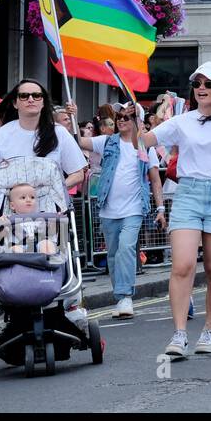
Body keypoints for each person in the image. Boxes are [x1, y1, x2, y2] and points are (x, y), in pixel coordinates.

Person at [139, 63, 211, 357]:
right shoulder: (183, 121)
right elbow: (147, 140)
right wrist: (136, 124)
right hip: (189, 193)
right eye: (197, 83)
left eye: (207, 83)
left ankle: (210, 331)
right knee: (183, 265)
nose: (201, 88)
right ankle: (179, 334)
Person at [77, 103, 163, 318]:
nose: (121, 120)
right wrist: (74, 115)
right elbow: (78, 141)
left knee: (126, 249)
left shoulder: (145, 147)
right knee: (114, 255)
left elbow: (155, 179)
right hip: (108, 209)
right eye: (119, 117)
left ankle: (125, 297)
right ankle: (120, 298)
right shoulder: (106, 142)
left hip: (134, 208)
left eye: (127, 117)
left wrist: (160, 207)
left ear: (137, 121)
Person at [0, 80, 87, 201]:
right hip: (9, 213)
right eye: (24, 96)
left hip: (50, 212)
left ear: (43, 103)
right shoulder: (1, 134)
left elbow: (78, 174)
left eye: (36, 96)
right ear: (15, 103)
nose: (30, 99)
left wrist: (52, 190)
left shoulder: (59, 133)